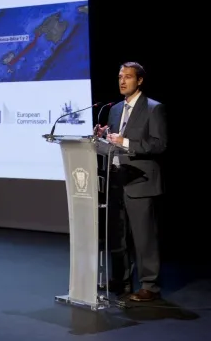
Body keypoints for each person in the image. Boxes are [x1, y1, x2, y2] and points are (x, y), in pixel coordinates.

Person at [95, 62, 167, 302]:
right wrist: (102, 138)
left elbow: (159, 144)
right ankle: (121, 280)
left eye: (127, 77)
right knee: (118, 236)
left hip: (140, 181)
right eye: (119, 77)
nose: (122, 81)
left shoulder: (154, 108)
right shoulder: (115, 109)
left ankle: (150, 286)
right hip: (116, 180)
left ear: (140, 80)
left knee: (144, 238)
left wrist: (124, 142)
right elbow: (113, 142)